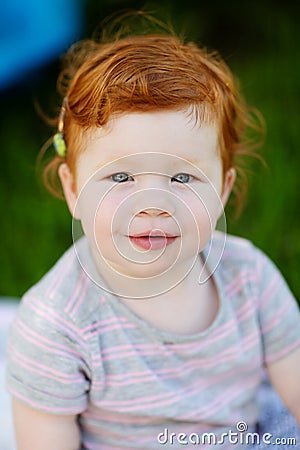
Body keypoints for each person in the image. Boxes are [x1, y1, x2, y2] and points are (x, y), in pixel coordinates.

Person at [6, 16, 300, 450]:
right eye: (120, 177)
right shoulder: (56, 327)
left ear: (222, 189)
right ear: (73, 190)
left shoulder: (249, 278)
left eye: (183, 178)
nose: (153, 204)